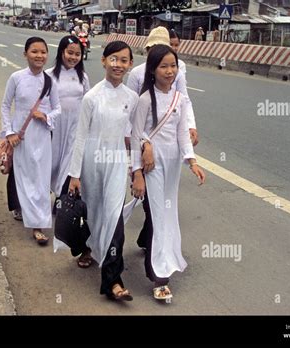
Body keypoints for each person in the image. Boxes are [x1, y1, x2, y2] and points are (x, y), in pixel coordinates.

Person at [131, 44, 205, 301]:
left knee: (168, 216)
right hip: (152, 168)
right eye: (164, 66)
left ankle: (166, 260)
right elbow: (136, 133)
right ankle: (159, 277)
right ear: (152, 69)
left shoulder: (180, 99)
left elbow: (182, 133)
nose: (170, 71)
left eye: (173, 65)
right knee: (159, 218)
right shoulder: (144, 99)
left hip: (173, 167)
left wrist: (192, 162)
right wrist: (137, 171)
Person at [68, 41, 138, 301]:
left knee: (114, 218)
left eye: (124, 60)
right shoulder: (92, 97)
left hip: (117, 164)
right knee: (94, 214)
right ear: (104, 61)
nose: (118, 65)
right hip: (91, 164)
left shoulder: (132, 98)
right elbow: (80, 137)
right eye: (113, 59)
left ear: (130, 64)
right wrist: (75, 175)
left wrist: (136, 169)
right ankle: (88, 248)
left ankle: (113, 280)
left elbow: (134, 136)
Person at [0, 37, 61, 245]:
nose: (39, 56)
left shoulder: (50, 81)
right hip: (21, 138)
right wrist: (9, 133)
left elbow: (57, 108)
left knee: (41, 179)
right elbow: (6, 106)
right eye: (34, 51)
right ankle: (33, 221)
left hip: (42, 137)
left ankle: (39, 224)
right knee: (25, 178)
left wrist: (46, 117)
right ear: (25, 54)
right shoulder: (16, 78)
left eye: (43, 52)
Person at [46, 36, 91, 264]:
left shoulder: (83, 77)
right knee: (53, 169)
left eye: (77, 53)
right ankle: (55, 201)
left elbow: (89, 103)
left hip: (76, 131)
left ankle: (64, 208)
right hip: (55, 131)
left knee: (69, 171)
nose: (73, 57)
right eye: (69, 52)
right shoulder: (50, 75)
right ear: (61, 52)